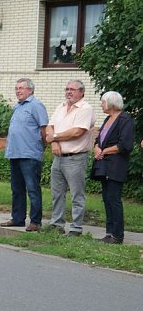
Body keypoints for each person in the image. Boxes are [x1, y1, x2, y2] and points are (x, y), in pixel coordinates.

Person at [45, 80, 94, 236]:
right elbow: (49, 126)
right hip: (58, 157)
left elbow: (77, 132)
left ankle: (76, 227)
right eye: (66, 89)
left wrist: (55, 137)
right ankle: (57, 223)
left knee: (76, 194)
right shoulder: (61, 106)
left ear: (81, 92)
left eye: (72, 89)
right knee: (57, 193)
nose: (68, 92)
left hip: (75, 158)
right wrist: (54, 143)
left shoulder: (85, 108)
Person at [0, 79, 49, 232]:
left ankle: (35, 221)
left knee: (32, 188)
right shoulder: (18, 106)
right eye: (16, 88)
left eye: (21, 88)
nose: (18, 91)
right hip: (15, 153)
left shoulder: (36, 105)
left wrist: (41, 145)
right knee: (17, 188)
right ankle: (18, 218)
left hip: (29, 154)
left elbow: (44, 129)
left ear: (30, 90)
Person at [91, 91, 135, 244]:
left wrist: (104, 151)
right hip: (103, 165)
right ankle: (109, 232)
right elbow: (99, 139)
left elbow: (125, 145)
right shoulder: (107, 119)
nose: (101, 105)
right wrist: (96, 148)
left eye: (103, 102)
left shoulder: (125, 119)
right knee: (106, 198)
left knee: (114, 198)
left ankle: (118, 235)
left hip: (116, 165)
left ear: (111, 103)